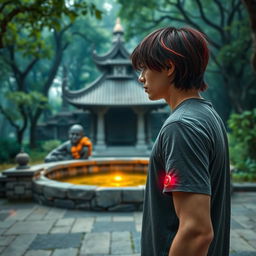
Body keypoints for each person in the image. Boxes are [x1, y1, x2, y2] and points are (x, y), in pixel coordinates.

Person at [131, 27, 230, 256]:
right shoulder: (207, 115)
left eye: (145, 67)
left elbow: (196, 232)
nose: (141, 77)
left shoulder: (182, 126)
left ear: (169, 67)